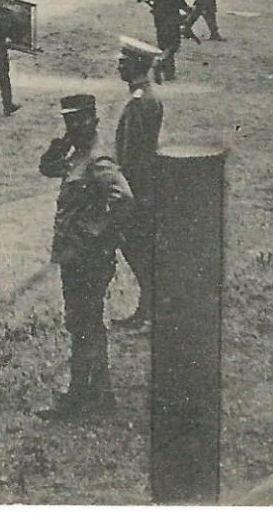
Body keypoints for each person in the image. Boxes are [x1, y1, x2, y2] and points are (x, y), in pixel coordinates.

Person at [35, 94, 133, 421]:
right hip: (73, 255)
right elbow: (47, 168)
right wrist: (59, 145)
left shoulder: (97, 160)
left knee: (87, 322)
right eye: (68, 121)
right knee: (80, 322)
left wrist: (93, 232)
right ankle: (87, 394)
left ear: (92, 121)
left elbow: (123, 199)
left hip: (89, 257)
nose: (72, 127)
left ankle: (95, 397)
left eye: (78, 121)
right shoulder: (77, 155)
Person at [111, 38, 163, 331]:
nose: (118, 66)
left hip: (137, 187)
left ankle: (150, 312)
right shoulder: (143, 97)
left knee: (138, 250)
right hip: (143, 184)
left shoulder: (140, 101)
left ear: (136, 65)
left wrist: (121, 190)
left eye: (123, 62)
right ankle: (146, 311)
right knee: (138, 249)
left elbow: (132, 154)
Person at [138, 0, 194, 82]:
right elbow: (180, 1)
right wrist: (189, 10)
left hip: (158, 15)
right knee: (173, 43)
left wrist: (151, 3)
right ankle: (164, 66)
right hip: (172, 15)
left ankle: (167, 70)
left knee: (163, 42)